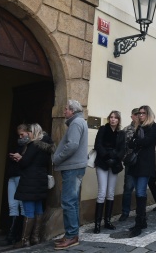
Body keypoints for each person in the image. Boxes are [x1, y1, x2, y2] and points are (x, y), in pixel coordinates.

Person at [52, 100, 89, 250]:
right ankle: (71, 234)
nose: (64, 111)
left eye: (66, 109)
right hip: (75, 167)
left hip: (72, 168)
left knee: (68, 202)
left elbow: (72, 145)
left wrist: (56, 158)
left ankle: (72, 236)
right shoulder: (80, 122)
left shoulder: (76, 123)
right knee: (71, 202)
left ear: (72, 111)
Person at [12, 123, 54, 248]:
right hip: (40, 179)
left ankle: (24, 240)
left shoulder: (33, 145)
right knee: (38, 208)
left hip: (30, 179)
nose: (28, 135)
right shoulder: (46, 146)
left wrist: (19, 158)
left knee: (29, 210)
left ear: (33, 133)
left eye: (29, 133)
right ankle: (35, 238)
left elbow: (25, 162)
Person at [127, 105, 156, 237]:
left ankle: (139, 223)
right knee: (137, 191)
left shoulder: (153, 126)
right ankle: (142, 220)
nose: (140, 115)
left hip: (146, 164)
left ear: (148, 114)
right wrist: (137, 141)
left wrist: (136, 141)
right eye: (139, 113)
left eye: (143, 113)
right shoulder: (138, 127)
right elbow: (130, 143)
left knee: (140, 191)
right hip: (135, 164)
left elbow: (148, 142)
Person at [93, 111, 126, 234]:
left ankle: (107, 221)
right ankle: (97, 223)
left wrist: (115, 158)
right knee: (102, 192)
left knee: (110, 193)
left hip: (115, 164)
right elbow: (98, 144)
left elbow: (123, 149)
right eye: (111, 117)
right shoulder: (103, 129)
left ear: (118, 120)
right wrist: (107, 157)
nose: (113, 120)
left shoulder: (121, 133)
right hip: (102, 162)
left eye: (115, 118)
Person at [0, 124, 28, 246]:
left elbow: (30, 162)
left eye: (22, 134)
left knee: (22, 205)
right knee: (12, 205)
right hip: (12, 175)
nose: (20, 137)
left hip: (22, 176)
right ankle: (11, 234)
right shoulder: (16, 144)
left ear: (28, 132)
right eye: (19, 135)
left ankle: (19, 234)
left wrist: (21, 158)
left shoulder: (30, 146)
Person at [119, 108, 139, 222]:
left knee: (140, 189)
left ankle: (140, 212)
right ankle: (125, 212)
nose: (137, 116)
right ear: (132, 116)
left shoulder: (144, 128)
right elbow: (122, 146)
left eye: (139, 114)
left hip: (141, 163)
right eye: (135, 115)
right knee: (128, 188)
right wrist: (124, 158)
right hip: (130, 162)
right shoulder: (126, 129)